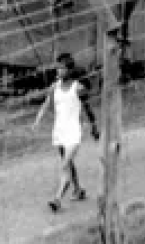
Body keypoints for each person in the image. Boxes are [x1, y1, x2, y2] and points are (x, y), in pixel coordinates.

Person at [32, 56, 98, 212]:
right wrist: (37, 121)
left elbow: (88, 109)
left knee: (64, 165)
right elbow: (46, 104)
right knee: (68, 163)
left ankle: (57, 199)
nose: (58, 70)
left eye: (61, 68)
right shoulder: (54, 87)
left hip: (74, 131)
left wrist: (94, 127)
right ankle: (78, 190)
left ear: (69, 70)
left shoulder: (79, 88)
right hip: (59, 132)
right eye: (57, 67)